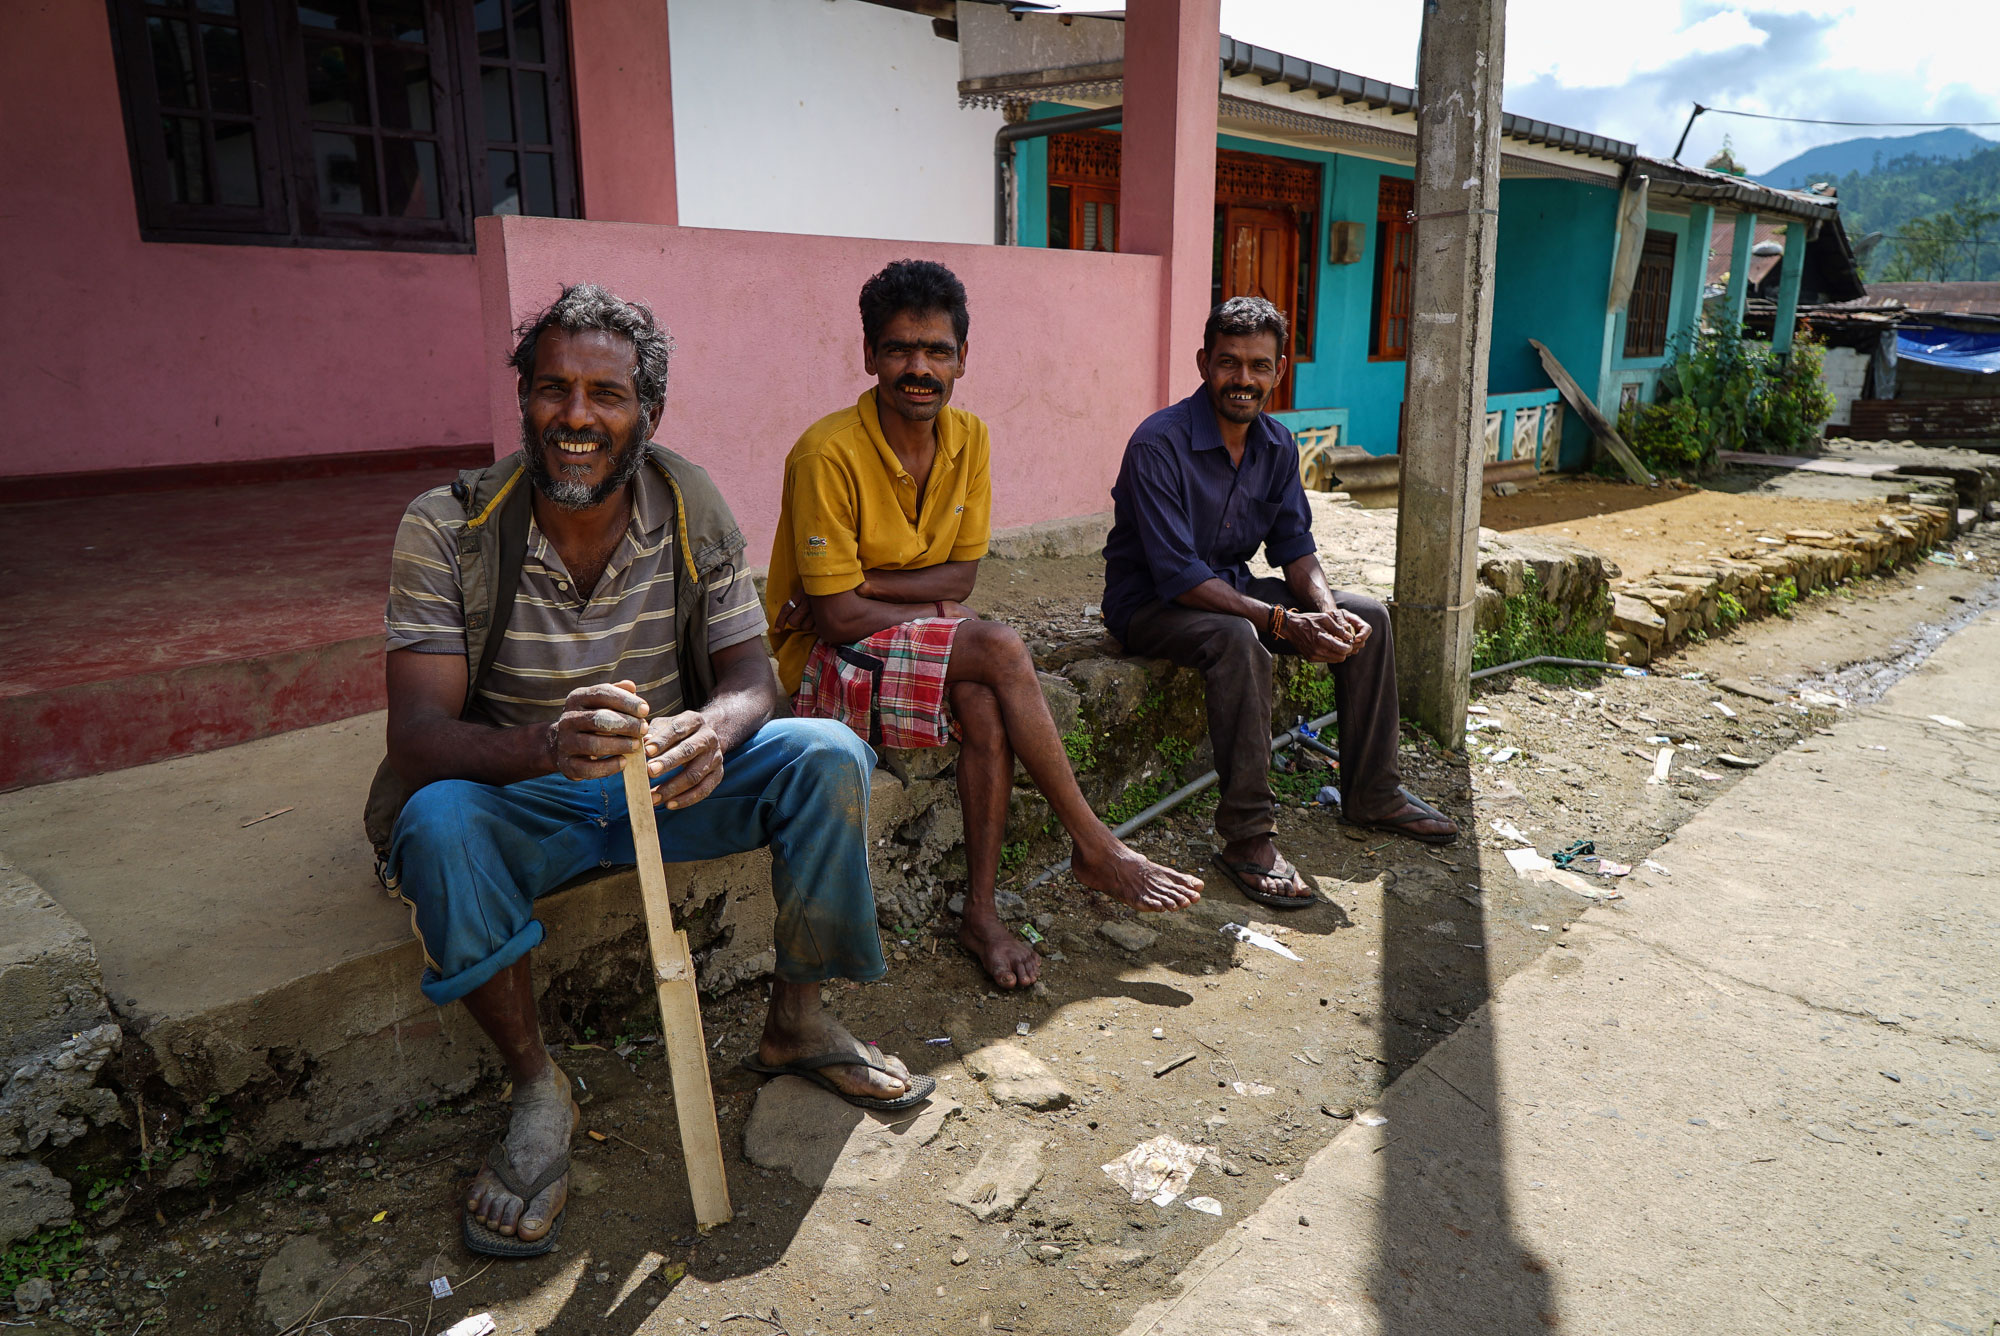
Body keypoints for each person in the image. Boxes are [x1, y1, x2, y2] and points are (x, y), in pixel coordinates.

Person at [371, 284, 928, 1259]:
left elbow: (751, 675)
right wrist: (543, 746)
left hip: (672, 787)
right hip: (523, 796)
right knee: (436, 825)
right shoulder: (447, 524)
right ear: (523, 400)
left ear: (647, 413)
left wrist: (712, 729)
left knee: (828, 753)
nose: (576, 416)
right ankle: (538, 1087)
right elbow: (416, 733)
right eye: (552, 389)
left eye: (606, 394)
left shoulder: (689, 503)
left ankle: (796, 1023)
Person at [765, 259, 1203, 990]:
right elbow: (836, 619)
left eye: (937, 351)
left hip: (897, 635)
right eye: (901, 349)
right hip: (821, 661)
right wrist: (919, 604)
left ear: (963, 358)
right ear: (869, 355)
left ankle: (980, 912)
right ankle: (1095, 845)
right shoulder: (826, 453)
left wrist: (871, 583)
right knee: (997, 645)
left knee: (982, 703)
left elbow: (959, 580)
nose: (919, 368)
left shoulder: (970, 439)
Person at [1101, 296, 1460, 909]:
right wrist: (1278, 620)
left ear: (1280, 369)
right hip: (1151, 606)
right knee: (1237, 638)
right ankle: (1247, 838)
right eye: (1229, 363)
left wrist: (1321, 609)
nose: (1244, 379)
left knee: (1366, 613)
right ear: (1203, 364)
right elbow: (1178, 574)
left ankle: (1372, 792)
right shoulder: (1157, 444)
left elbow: (1295, 547)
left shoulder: (1276, 444)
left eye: (1259, 366)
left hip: (1230, 593)